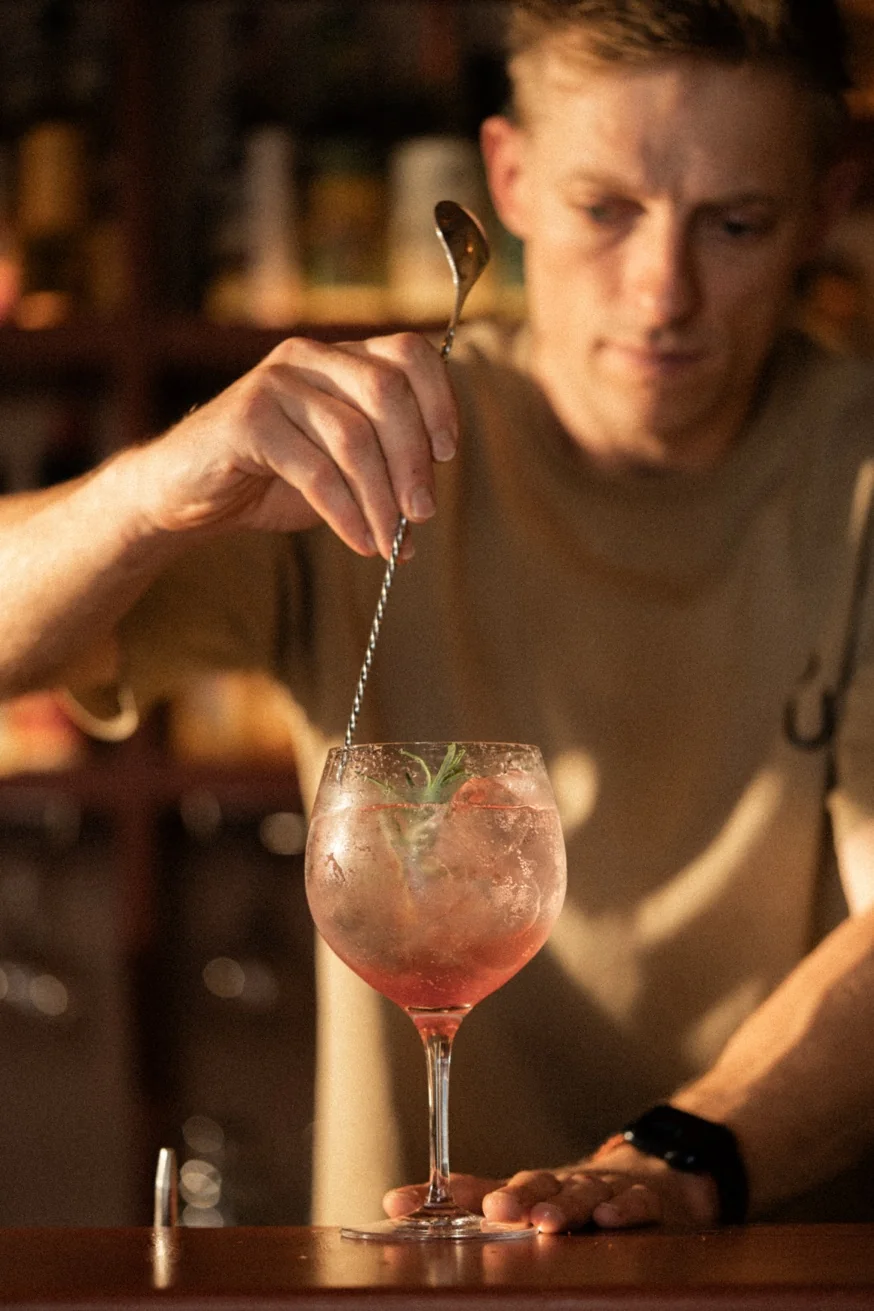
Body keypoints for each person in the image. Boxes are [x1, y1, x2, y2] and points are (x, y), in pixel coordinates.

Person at [3, 0, 874, 1230]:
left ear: (827, 206)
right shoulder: (379, 445)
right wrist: (154, 493)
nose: (661, 290)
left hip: (778, 1264)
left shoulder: (858, 475)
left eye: (735, 224)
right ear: (507, 177)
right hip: (401, 1269)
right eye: (603, 209)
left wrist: (664, 1166)